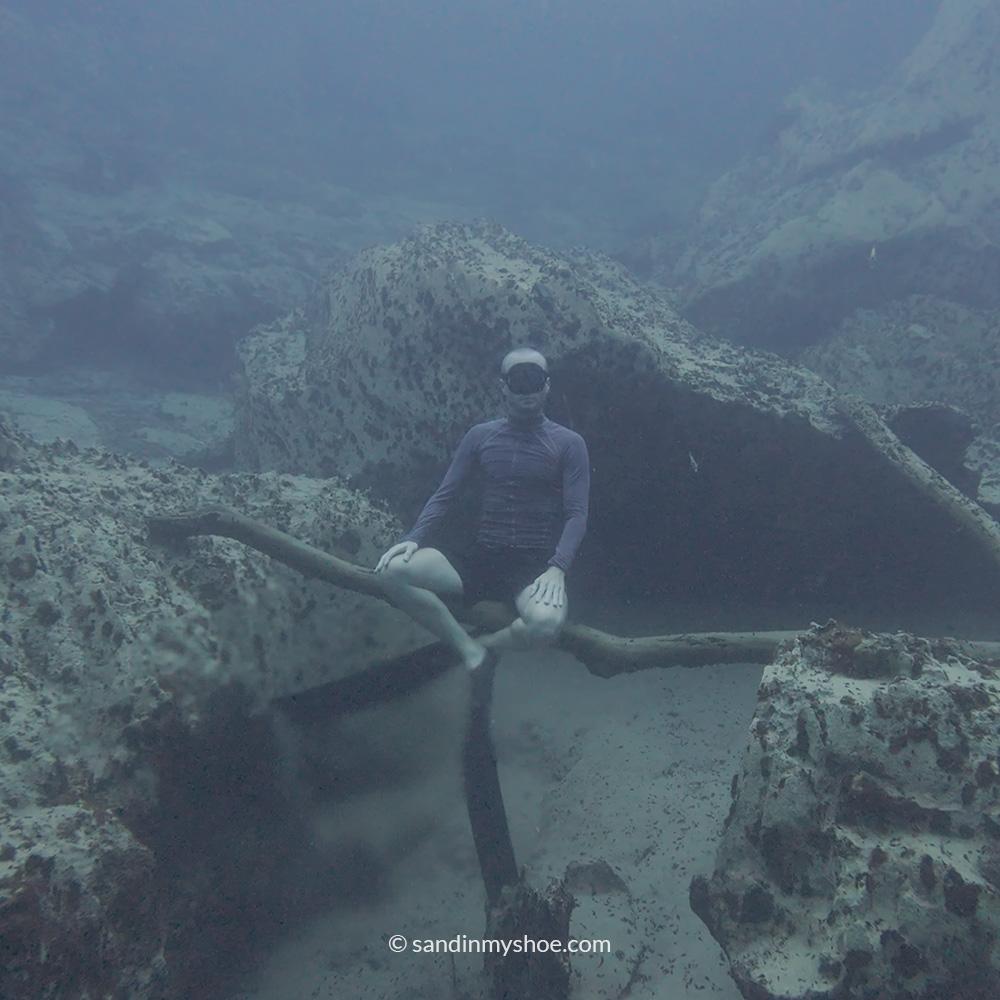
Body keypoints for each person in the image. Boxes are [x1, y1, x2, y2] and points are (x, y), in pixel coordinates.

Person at [375, 347, 590, 683]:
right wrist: (413, 538)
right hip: (480, 556)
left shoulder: (569, 443)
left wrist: (557, 569)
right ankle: (469, 650)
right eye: (518, 380)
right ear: (503, 386)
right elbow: (446, 494)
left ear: (547, 385)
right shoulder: (480, 435)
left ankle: (486, 644)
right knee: (391, 572)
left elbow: (577, 513)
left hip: (532, 567)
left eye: (534, 379)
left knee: (545, 625)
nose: (527, 390)